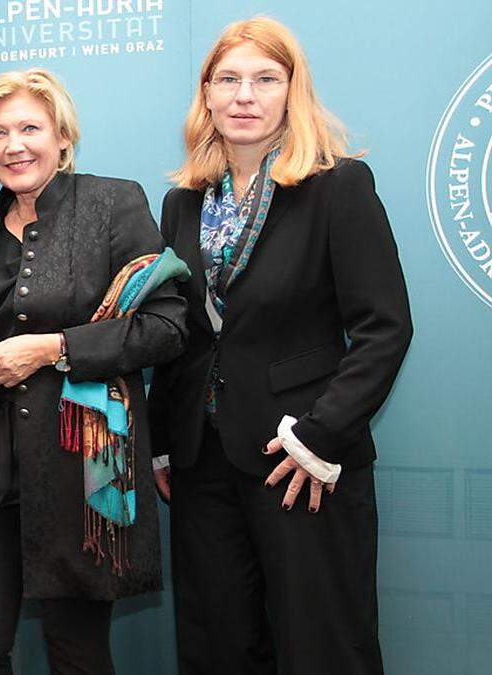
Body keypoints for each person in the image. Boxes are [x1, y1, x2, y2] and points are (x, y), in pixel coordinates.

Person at [150, 16, 413, 675]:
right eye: (228, 79)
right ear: (206, 94)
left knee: (318, 645)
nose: (245, 95)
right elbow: (179, 334)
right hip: (201, 459)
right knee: (218, 647)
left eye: (265, 79)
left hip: (299, 461)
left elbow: (385, 328)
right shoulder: (183, 203)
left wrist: (321, 437)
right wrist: (159, 437)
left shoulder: (338, 186)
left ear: (292, 91)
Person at [0, 67, 187, 674]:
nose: (14, 146)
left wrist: (51, 348)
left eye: (30, 128)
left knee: (77, 653)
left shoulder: (114, 202)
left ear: (63, 137)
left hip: (78, 472)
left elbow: (166, 328)